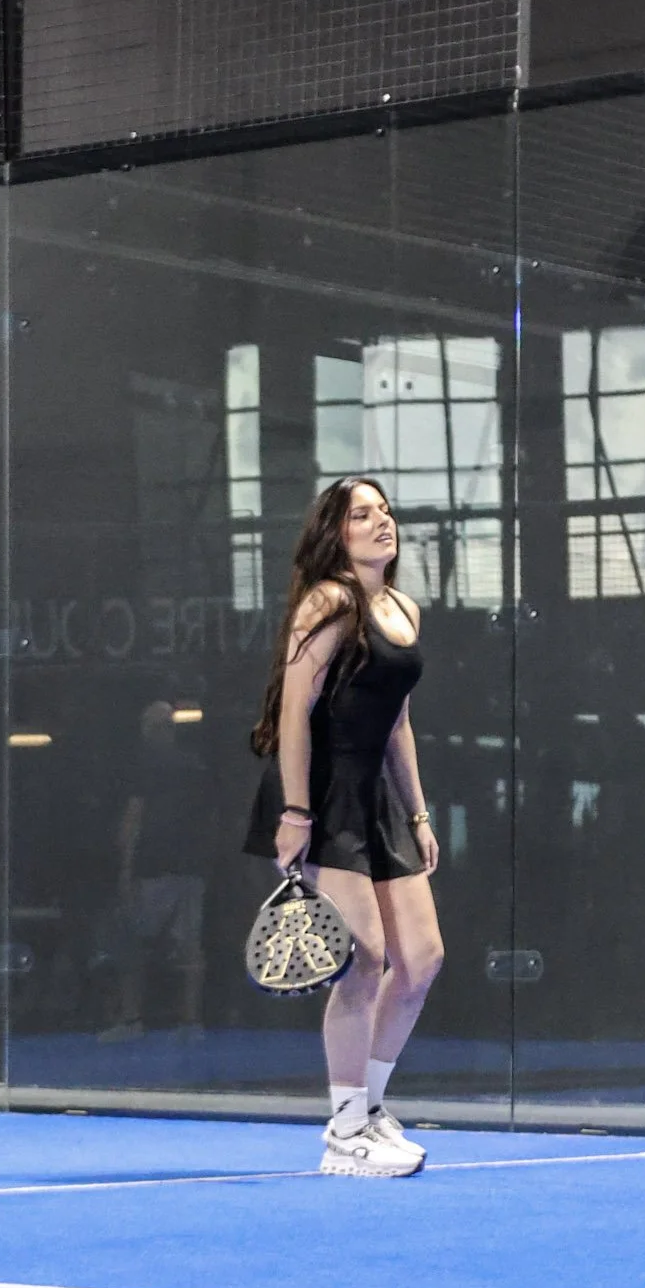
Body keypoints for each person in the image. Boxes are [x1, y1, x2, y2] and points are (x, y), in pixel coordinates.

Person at [244, 477, 443, 1177]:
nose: (381, 522)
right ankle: (344, 1131)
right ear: (337, 533)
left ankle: (372, 1112)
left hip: (379, 796)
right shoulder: (327, 602)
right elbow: (295, 709)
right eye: (362, 514)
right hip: (322, 790)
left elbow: (398, 723)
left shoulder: (401, 608)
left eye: (386, 510)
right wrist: (295, 811)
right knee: (362, 960)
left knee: (419, 961)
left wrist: (417, 812)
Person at [99, 699, 206, 1041]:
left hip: (153, 869)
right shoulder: (195, 768)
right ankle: (190, 1022)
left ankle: (132, 1019)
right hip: (191, 869)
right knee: (188, 946)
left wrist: (125, 871)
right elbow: (211, 822)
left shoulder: (142, 767)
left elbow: (133, 820)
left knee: (132, 942)